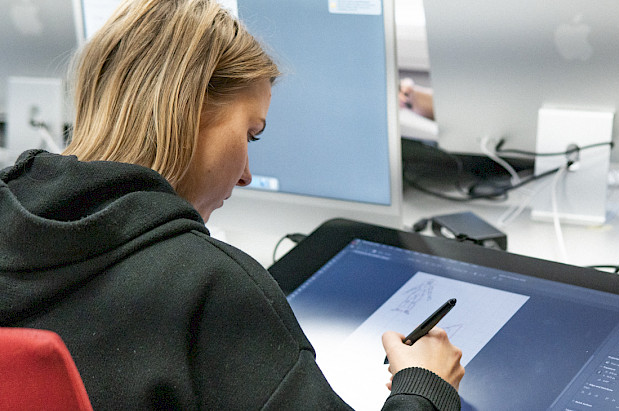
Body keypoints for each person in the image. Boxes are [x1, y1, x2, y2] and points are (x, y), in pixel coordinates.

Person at [0, 0, 464, 409]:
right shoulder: (212, 286)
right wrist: (426, 387)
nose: (245, 174)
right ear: (188, 110)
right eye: (250, 134)